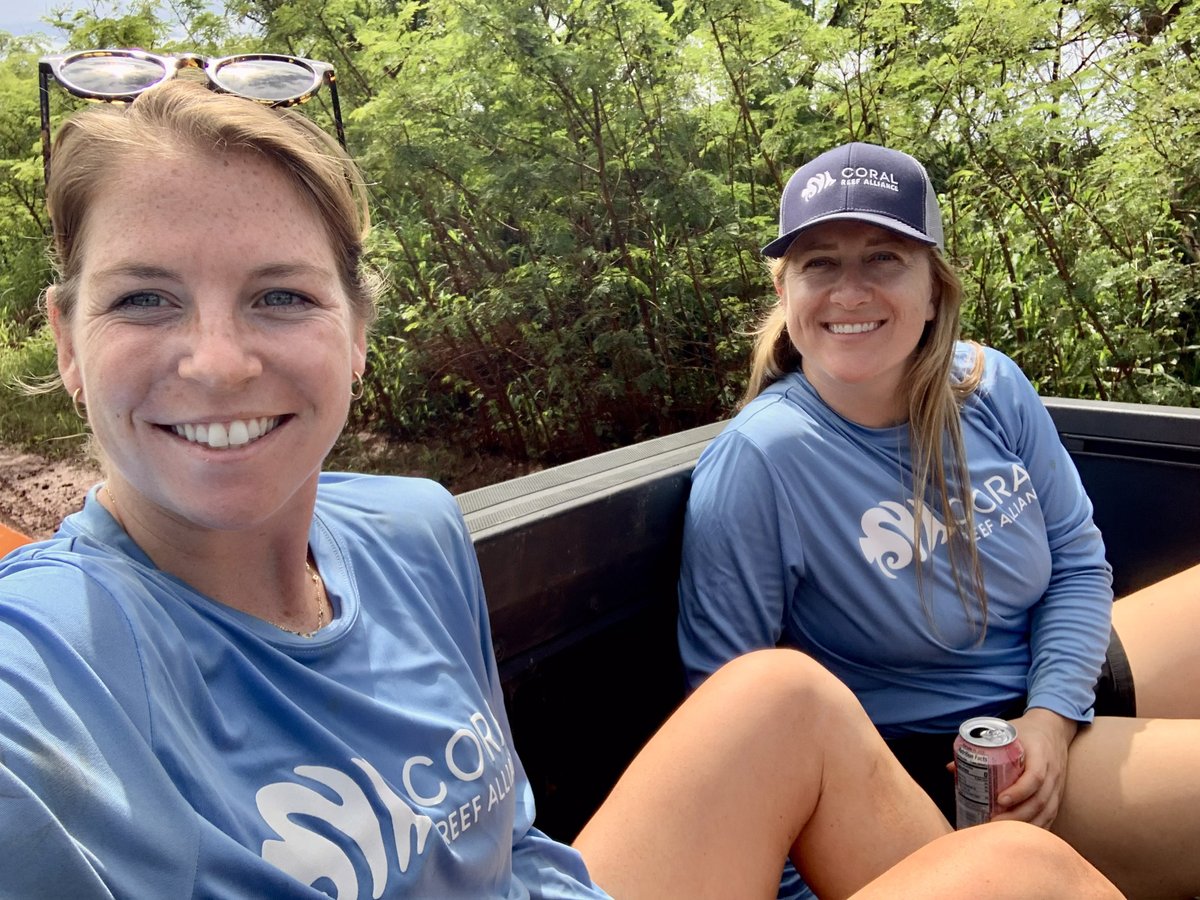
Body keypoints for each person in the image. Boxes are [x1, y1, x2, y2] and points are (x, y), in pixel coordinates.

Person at [0, 66, 1121, 899]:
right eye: (143, 298)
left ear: (356, 331)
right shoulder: (41, 680)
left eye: (281, 296)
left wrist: (1053, 714)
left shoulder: (412, 531)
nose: (218, 360)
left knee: (791, 705)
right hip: (939, 741)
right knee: (1025, 870)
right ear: (63, 339)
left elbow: (516, 846)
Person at [677, 140, 1200, 898]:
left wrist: (1053, 717)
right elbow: (732, 731)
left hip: (1049, 687)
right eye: (819, 263)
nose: (849, 291)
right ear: (786, 293)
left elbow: (1080, 565)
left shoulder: (991, 387)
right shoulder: (761, 462)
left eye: (885, 258)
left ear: (934, 289)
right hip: (955, 763)